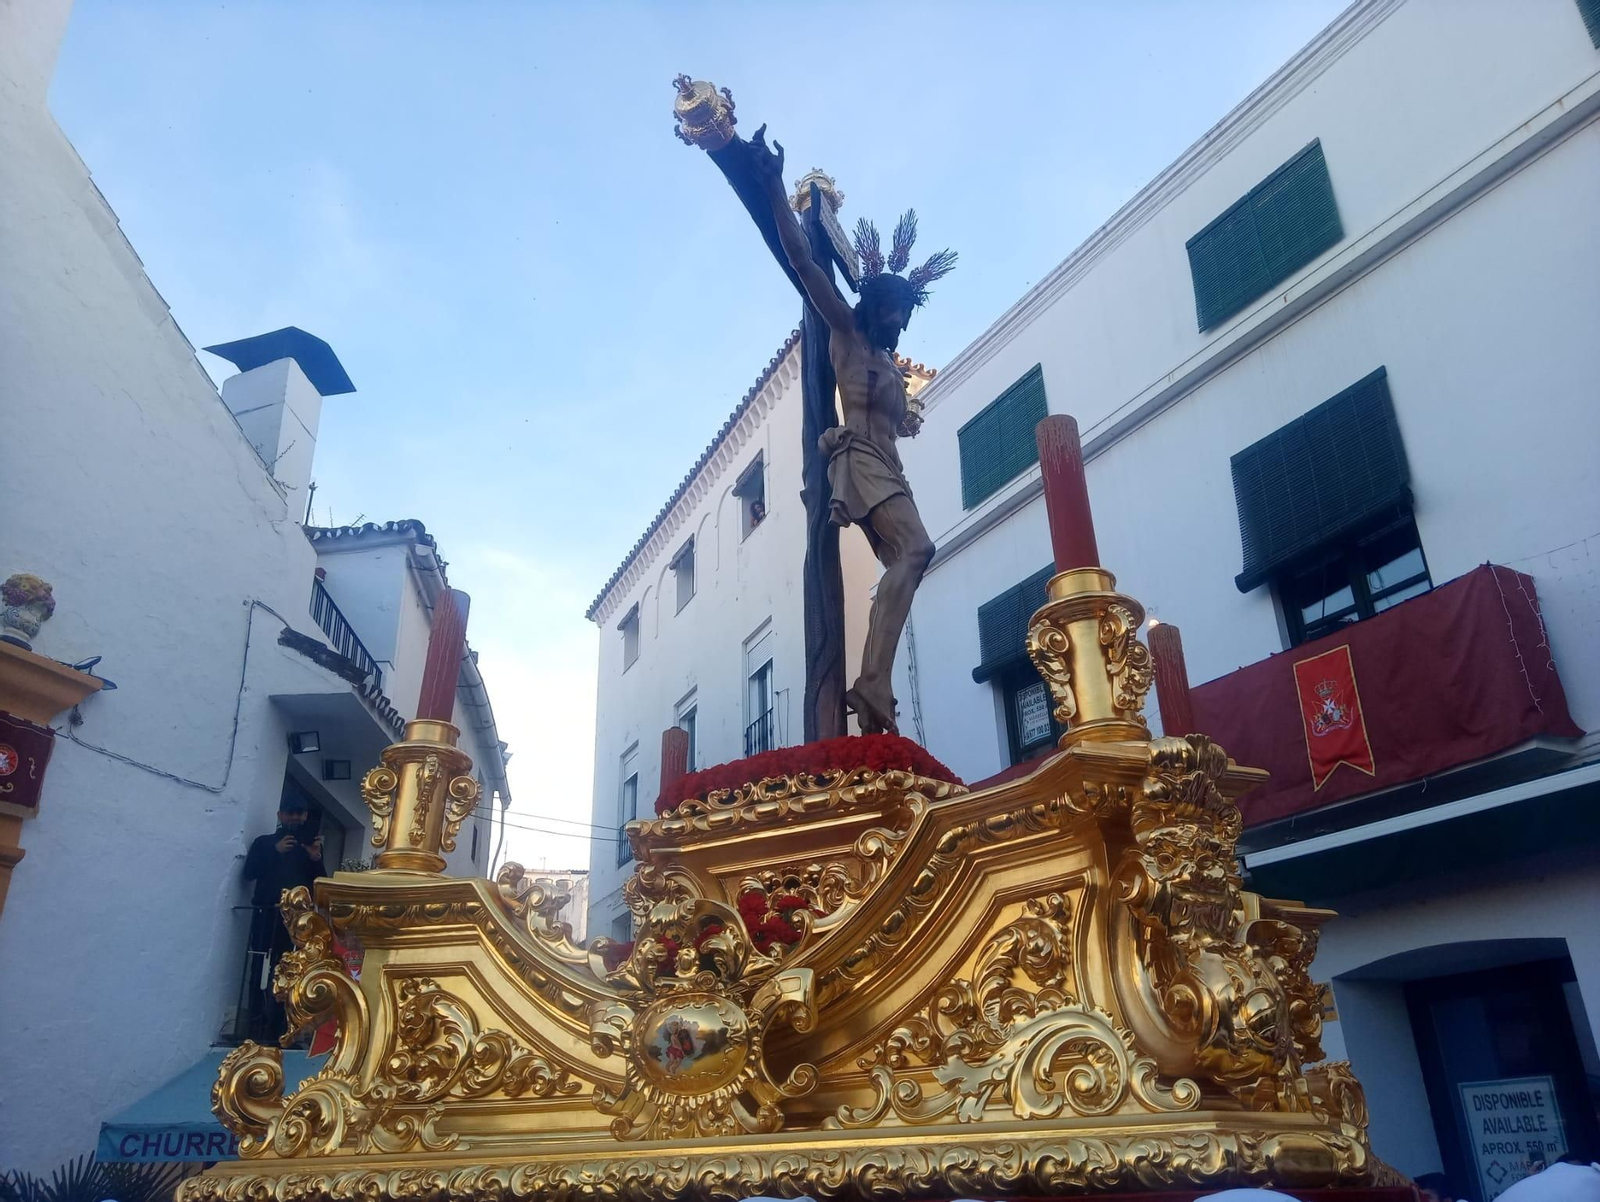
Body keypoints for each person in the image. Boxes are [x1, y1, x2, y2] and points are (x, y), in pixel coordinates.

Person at [751, 127, 956, 736]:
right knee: (918, 551)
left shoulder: (891, 365)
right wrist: (771, 190)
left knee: (908, 565)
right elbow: (804, 264)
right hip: (859, 457)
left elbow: (907, 420)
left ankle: (874, 684)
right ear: (874, 305)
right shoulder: (846, 331)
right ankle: (871, 682)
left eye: (905, 317)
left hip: (890, 469)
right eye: (892, 312)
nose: (898, 324)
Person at [241, 800, 326, 1039]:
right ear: (280, 815)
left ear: (305, 815)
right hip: (266, 913)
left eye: (300, 813)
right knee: (258, 968)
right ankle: (254, 1026)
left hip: (297, 923)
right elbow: (249, 873)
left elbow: (321, 885)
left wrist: (315, 858)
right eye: (291, 813)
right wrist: (274, 851)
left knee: (289, 973)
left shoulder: (310, 849)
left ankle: (278, 1028)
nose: (295, 818)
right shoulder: (264, 842)